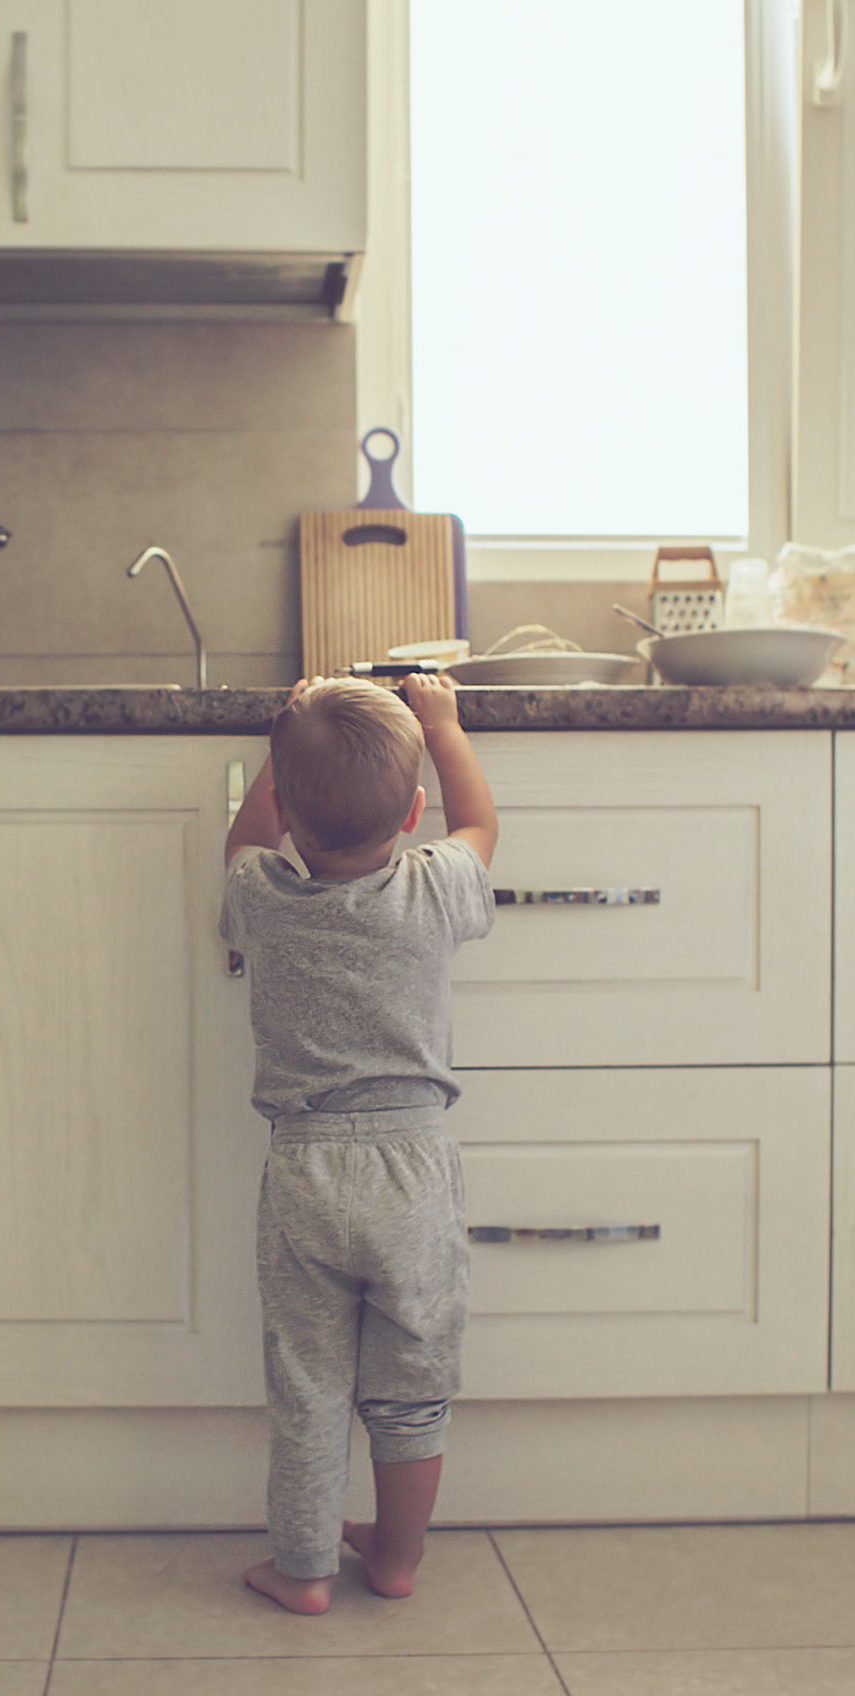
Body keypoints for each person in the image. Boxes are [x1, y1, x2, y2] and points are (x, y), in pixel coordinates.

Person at [220, 671, 498, 1615]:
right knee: (411, 1385)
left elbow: (244, 841)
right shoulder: (432, 888)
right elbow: (481, 827)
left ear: (288, 807)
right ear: (412, 812)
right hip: (414, 1169)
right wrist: (445, 724)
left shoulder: (261, 892)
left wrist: (280, 750)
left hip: (305, 1168)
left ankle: (301, 1572)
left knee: (308, 1386)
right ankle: (394, 1558)